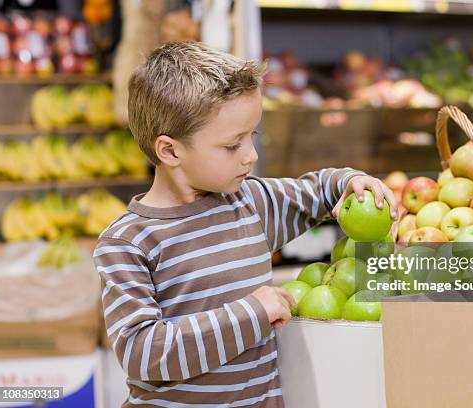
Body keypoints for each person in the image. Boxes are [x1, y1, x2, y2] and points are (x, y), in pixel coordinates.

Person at [94, 41, 398, 407]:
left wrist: (350, 183)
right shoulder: (128, 243)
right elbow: (142, 354)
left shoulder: (249, 203)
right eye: (231, 145)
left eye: (251, 136)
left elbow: (317, 191)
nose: (251, 155)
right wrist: (252, 312)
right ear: (170, 151)